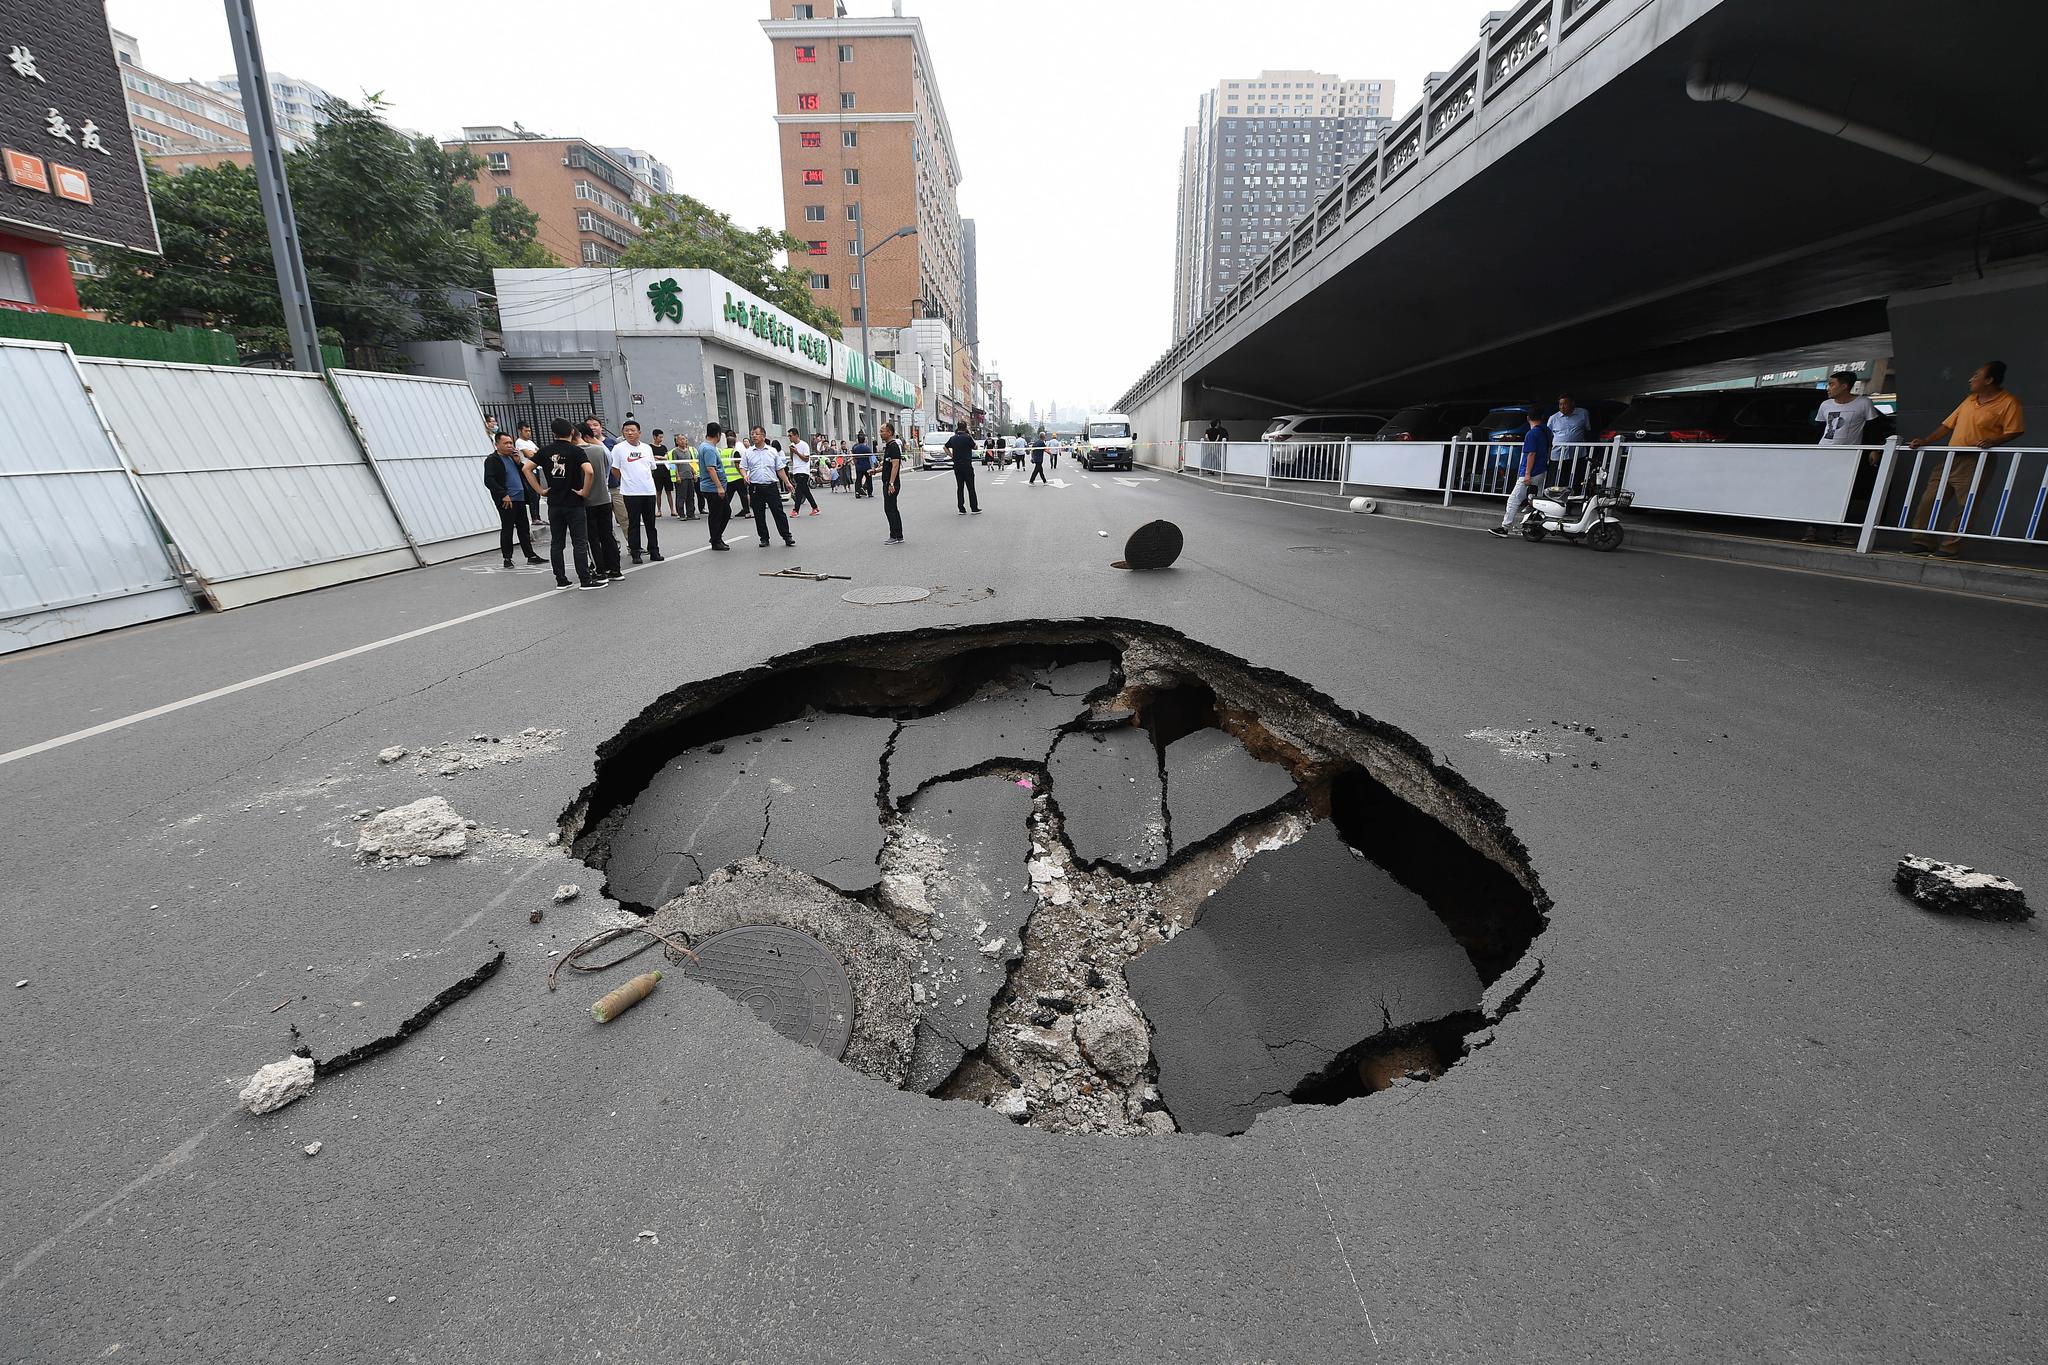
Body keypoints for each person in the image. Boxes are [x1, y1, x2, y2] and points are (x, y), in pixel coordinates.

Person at [1907, 360, 2025, 556]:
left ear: (1989, 380)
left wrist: (1993, 441)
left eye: (1976, 375)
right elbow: (1947, 425)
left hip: (1975, 461)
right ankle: (1922, 541)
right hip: (1951, 457)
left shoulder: (2008, 402)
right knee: (1929, 499)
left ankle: (1950, 547)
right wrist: (1926, 440)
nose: (1971, 379)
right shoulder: (1969, 400)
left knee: (1967, 505)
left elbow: (2015, 430)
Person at [1807, 372, 1882, 543]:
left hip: (1848, 456)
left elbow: (1874, 427)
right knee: (1818, 491)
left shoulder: (1863, 403)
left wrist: (1874, 449)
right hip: (1824, 453)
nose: (1828, 388)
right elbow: (1819, 428)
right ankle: (1812, 527)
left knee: (1844, 493)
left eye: (1832, 384)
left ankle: (1839, 530)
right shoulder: (1825, 405)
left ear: (1844, 386)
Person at [535, 418, 601, 588]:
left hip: (554, 502)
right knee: (579, 541)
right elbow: (589, 471)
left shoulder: (545, 451)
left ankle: (561, 580)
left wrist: (541, 490)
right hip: (574, 502)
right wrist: (584, 492)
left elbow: (526, 468)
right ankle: (585, 580)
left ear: (553, 433)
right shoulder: (576, 451)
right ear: (572, 432)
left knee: (557, 543)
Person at [484, 431, 546, 569]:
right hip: (507, 499)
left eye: (511, 443)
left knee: (523, 527)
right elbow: (489, 480)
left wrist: (518, 462)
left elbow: (521, 474)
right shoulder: (493, 460)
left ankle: (530, 555)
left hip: (520, 498)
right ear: (497, 445)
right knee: (507, 528)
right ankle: (507, 558)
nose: (509, 446)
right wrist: (502, 494)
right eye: (505, 443)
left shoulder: (512, 458)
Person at [1488, 412, 1553, 539]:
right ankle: (1536, 526)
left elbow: (1531, 454)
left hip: (1530, 472)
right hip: (1541, 470)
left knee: (1514, 500)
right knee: (1537, 500)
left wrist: (1527, 474)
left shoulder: (1532, 433)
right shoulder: (1547, 431)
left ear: (1528, 418)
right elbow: (1549, 449)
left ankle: (1505, 527)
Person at [611, 419, 662, 564]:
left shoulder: (646, 448)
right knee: (633, 524)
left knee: (650, 524)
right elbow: (615, 469)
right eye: (626, 430)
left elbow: (651, 468)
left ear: (639, 432)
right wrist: (626, 481)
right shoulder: (619, 448)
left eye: (632, 430)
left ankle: (654, 550)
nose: (629, 433)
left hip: (648, 490)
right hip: (631, 492)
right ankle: (635, 552)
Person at [579, 419, 624, 581]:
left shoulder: (579, 451)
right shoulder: (602, 450)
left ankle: (601, 570)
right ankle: (615, 569)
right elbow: (610, 464)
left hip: (589, 498)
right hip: (605, 495)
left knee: (593, 537)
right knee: (607, 535)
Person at [741, 424, 797, 548]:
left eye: (756, 433)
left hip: (771, 486)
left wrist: (787, 482)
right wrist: (744, 475)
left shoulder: (772, 451)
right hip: (755, 487)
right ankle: (764, 538)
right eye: (752, 434)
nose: (754, 436)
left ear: (763, 436)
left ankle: (787, 536)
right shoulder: (748, 452)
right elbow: (742, 467)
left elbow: (780, 469)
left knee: (778, 512)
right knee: (759, 513)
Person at [696, 422, 731, 551]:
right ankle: (716, 540)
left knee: (725, 512)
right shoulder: (709, 449)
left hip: (713, 486)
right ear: (718, 434)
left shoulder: (706, 447)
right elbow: (711, 469)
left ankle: (716, 536)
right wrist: (719, 487)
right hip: (712, 487)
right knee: (717, 514)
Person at [879, 421, 906, 543]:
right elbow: (888, 465)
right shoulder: (889, 446)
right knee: (892, 508)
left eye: (882, 431)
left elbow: (895, 466)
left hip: (891, 483)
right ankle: (898, 535)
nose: (880, 433)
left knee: (890, 509)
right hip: (889, 482)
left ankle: (894, 535)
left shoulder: (894, 446)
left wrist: (891, 483)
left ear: (889, 432)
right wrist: (876, 470)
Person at [947, 421, 981, 514]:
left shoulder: (953, 438)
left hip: (957, 466)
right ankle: (974, 508)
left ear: (958, 427)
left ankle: (961, 509)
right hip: (967, 465)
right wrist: (970, 435)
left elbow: (945, 447)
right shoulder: (967, 437)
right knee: (971, 487)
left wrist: (951, 455)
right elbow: (975, 447)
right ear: (965, 428)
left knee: (960, 487)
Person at [786, 427, 820, 516]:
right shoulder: (792, 446)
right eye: (788, 436)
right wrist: (792, 452)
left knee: (799, 491)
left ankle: (795, 510)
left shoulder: (804, 445)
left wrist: (796, 452)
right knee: (805, 490)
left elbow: (806, 459)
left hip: (803, 470)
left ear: (796, 435)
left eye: (791, 436)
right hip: (796, 470)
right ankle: (815, 507)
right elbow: (793, 459)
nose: (789, 438)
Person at [650, 428, 674, 518]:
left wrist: (660, 457)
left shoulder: (664, 447)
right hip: (657, 472)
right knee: (658, 492)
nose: (661, 439)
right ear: (654, 437)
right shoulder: (650, 447)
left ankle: (673, 510)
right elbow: (652, 458)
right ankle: (659, 510)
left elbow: (667, 457)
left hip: (666, 471)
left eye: (662, 437)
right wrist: (660, 457)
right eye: (660, 437)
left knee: (669, 492)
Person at [852, 431, 875, 499]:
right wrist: (875, 463)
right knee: (869, 479)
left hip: (859, 466)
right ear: (864, 440)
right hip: (867, 466)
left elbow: (854, 458)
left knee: (858, 480)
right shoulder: (867, 448)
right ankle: (870, 493)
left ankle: (857, 492)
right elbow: (872, 456)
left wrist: (856, 464)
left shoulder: (855, 448)